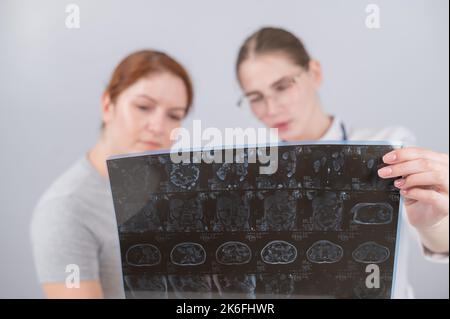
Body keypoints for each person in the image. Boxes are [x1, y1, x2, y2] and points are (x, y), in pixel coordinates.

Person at [235, 26, 449, 298]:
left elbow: (439, 240)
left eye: (282, 86)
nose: (271, 108)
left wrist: (433, 224)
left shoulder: (387, 146)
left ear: (314, 73)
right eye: (255, 98)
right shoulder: (251, 173)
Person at [30, 50, 194, 298]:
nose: (159, 126)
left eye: (174, 116)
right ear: (108, 106)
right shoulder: (66, 209)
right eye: (143, 107)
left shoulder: (179, 190)